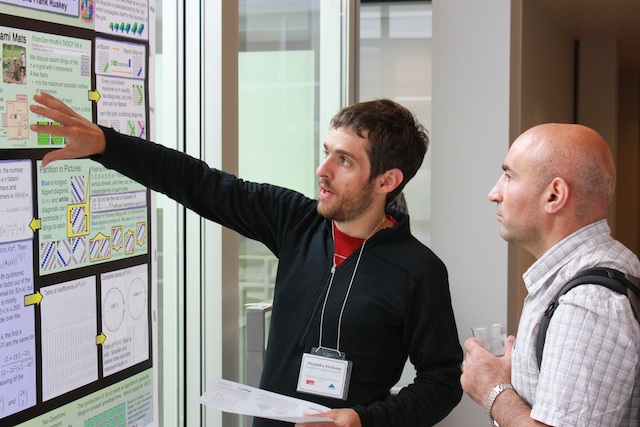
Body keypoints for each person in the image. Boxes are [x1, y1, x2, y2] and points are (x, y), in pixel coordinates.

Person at [30, 92, 463, 427]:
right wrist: (107, 144)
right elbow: (200, 183)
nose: (323, 169)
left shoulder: (417, 272)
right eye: (327, 151)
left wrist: (366, 420)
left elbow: (442, 381)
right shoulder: (297, 222)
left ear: (387, 180)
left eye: (344, 160)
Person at [461, 123, 640, 426]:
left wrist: (493, 390)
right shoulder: (587, 278)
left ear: (554, 195)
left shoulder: (587, 302)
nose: (494, 193)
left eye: (508, 176)